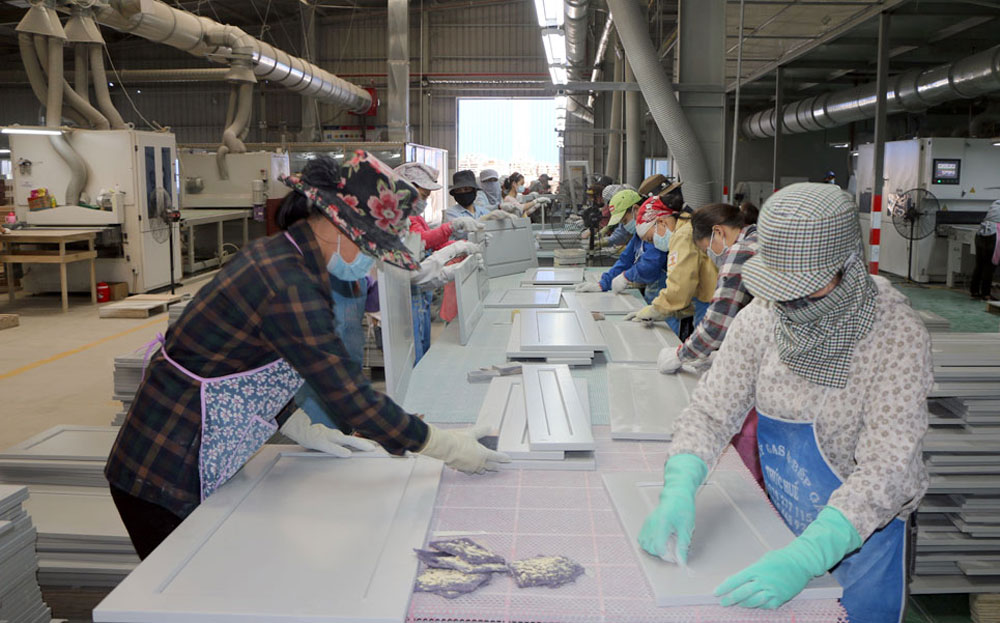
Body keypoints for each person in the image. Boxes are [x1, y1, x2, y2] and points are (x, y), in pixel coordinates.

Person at [105, 152, 508, 559]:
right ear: (337, 227)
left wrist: (300, 425)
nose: (369, 264)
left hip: (191, 446)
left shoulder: (288, 258)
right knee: (187, 591)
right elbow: (348, 394)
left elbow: (241, 363)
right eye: (369, 249)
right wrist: (448, 447)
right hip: (163, 468)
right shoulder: (288, 281)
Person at [638, 183, 932, 621]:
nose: (789, 302)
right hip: (781, 519)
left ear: (847, 265)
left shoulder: (894, 334)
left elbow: (889, 466)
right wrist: (679, 482)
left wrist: (808, 556)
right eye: (780, 286)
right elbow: (711, 412)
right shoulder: (762, 319)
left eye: (805, 288)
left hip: (860, 536)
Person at [656, 201, 759, 374]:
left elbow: (718, 322)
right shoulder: (758, 236)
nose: (711, 255)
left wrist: (680, 355)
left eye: (707, 249)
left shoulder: (741, 251)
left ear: (718, 232)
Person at [395, 162, 484, 362]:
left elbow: (431, 248)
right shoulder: (398, 221)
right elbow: (420, 249)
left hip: (421, 289)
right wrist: (452, 235)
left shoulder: (413, 218)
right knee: (414, 357)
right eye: (424, 195)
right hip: (409, 292)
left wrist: (461, 247)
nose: (424, 201)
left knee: (422, 351)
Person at [624, 190, 717, 341]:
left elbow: (680, 286)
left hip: (711, 305)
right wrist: (669, 311)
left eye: (650, 239)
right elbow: (693, 284)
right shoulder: (688, 226)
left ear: (661, 222)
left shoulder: (682, 235)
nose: (653, 244)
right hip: (708, 301)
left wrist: (656, 309)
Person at [574, 194, 667, 303]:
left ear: (636, 210)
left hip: (668, 294)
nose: (625, 226)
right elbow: (625, 260)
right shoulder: (638, 235)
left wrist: (626, 276)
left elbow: (651, 263)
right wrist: (603, 284)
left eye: (625, 221)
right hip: (654, 293)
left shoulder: (656, 233)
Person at [971, 199, 1000, 300]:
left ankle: (974, 291)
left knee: (980, 264)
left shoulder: (996, 203)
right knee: (990, 265)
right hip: (994, 235)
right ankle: (986, 294)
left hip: (981, 233)